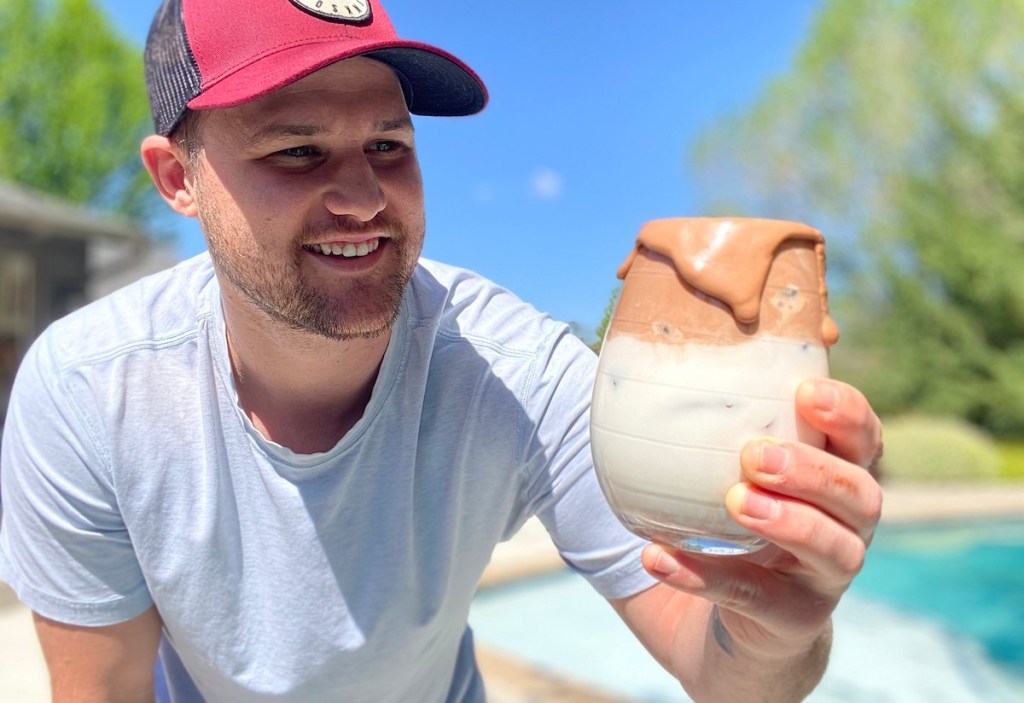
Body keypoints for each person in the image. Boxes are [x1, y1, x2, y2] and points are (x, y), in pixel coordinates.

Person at [0, 0, 884, 701]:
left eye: (388, 144)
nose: (360, 195)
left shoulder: (514, 369)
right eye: (297, 149)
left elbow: (719, 670)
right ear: (177, 179)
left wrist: (776, 625)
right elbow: (102, 692)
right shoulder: (90, 392)